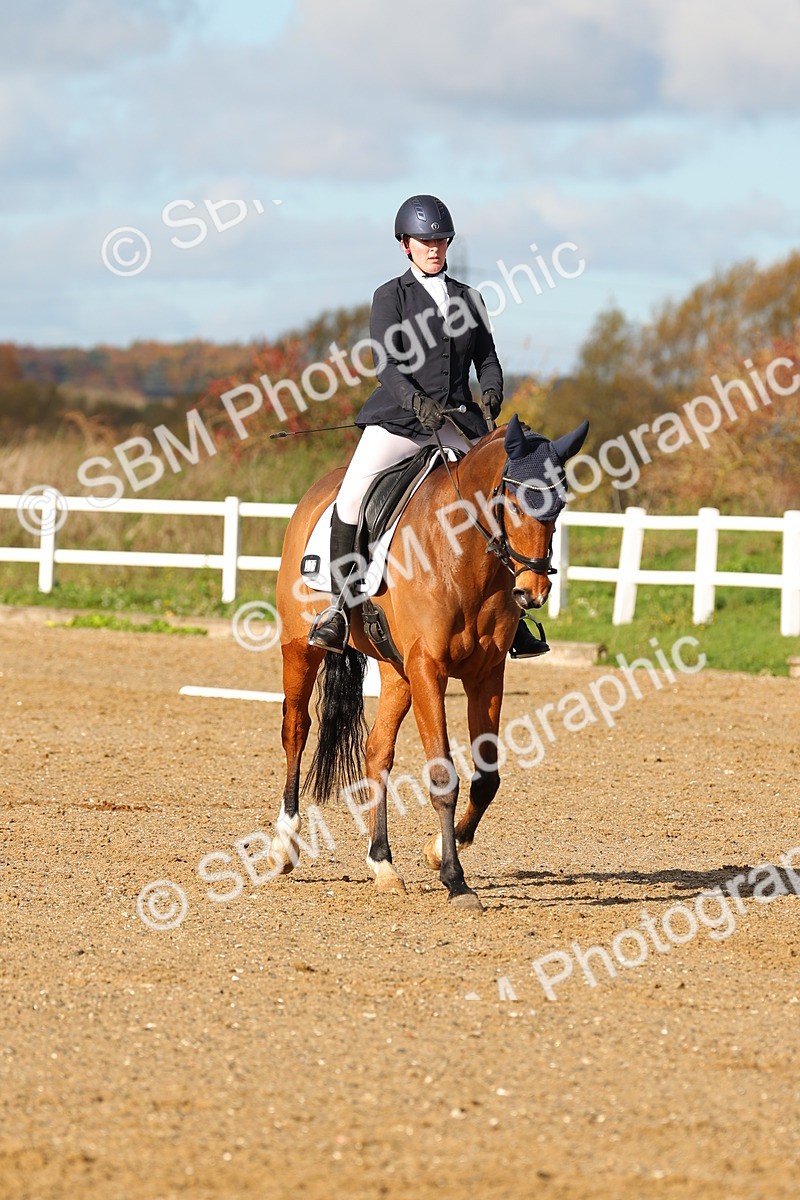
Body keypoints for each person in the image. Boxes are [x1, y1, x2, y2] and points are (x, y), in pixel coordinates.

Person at [308, 194, 549, 659]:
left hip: (457, 421)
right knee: (354, 493)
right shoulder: (390, 297)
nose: (434, 248)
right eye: (425, 241)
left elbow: (488, 358)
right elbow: (388, 364)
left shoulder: (468, 298)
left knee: (503, 491)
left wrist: (492, 390)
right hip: (400, 420)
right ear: (406, 246)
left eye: (441, 240)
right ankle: (338, 608)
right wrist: (416, 402)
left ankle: (510, 617)